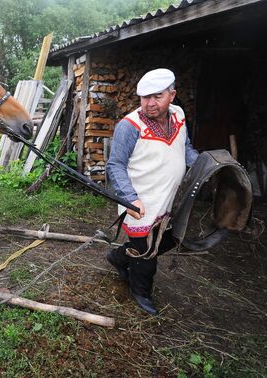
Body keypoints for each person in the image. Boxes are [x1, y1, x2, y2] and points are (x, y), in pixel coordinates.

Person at [106, 68, 199, 315]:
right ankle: (141, 291)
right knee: (147, 256)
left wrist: (201, 164)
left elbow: (185, 146)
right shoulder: (130, 126)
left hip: (169, 199)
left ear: (172, 95)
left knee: (169, 239)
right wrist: (130, 198)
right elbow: (115, 164)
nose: (150, 103)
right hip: (141, 202)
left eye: (157, 96)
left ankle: (119, 256)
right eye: (144, 97)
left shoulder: (178, 114)